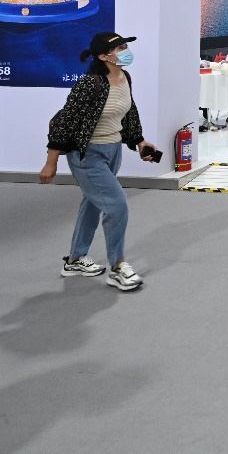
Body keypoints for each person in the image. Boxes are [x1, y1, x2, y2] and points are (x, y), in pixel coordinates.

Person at [41, 31, 160, 293]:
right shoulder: (90, 84)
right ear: (104, 56)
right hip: (88, 155)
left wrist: (140, 141)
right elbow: (63, 123)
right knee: (117, 206)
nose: (126, 51)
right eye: (120, 48)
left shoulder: (125, 77)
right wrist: (51, 162)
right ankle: (117, 266)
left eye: (125, 46)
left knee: (93, 204)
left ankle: (75, 260)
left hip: (112, 150)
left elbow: (129, 113)